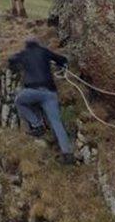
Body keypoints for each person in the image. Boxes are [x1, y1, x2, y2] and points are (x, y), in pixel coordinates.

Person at [9, 37, 74, 165]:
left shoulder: (24, 54)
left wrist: (16, 65)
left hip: (32, 91)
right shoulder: (44, 51)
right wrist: (62, 64)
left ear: (27, 45)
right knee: (56, 122)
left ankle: (37, 125)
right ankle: (68, 154)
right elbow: (62, 60)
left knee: (19, 101)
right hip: (50, 93)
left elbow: (11, 60)